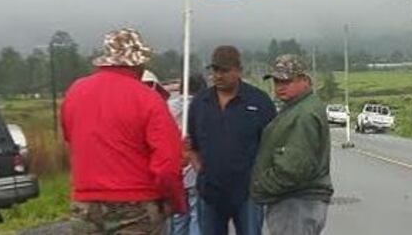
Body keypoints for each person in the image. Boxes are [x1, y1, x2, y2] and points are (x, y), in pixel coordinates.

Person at [62, 28, 186, 234]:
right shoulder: (148, 98)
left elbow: (70, 138)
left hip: (85, 204)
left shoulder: (75, 91)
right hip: (136, 207)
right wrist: (174, 201)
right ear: (138, 63)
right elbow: (167, 164)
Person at [188, 46, 276, 235]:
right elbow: (192, 146)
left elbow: (272, 146)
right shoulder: (200, 103)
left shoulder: (259, 102)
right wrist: (201, 170)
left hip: (248, 194)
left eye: (225, 70)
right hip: (210, 193)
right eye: (215, 70)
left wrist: (261, 181)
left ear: (238, 70)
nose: (218, 75)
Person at [251, 54, 333, 235]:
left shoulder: (303, 114)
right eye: (276, 81)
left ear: (305, 80)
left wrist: (259, 185)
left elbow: (294, 168)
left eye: (286, 81)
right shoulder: (297, 108)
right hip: (297, 201)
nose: (279, 87)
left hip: (296, 203)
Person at [166, 73, 208, 235]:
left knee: (178, 218)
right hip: (195, 170)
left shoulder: (168, 107)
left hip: (175, 169)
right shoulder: (203, 107)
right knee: (197, 216)